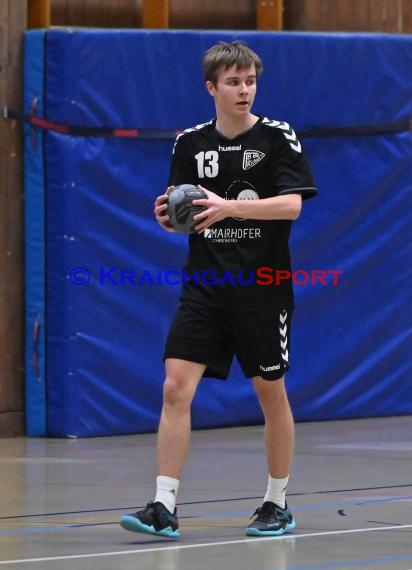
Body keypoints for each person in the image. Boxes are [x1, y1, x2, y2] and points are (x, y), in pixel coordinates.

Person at [120, 40, 317, 539]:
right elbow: (185, 216)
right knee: (174, 388)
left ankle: (277, 502)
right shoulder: (190, 144)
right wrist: (170, 219)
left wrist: (230, 207)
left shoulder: (278, 137)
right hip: (205, 286)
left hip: (262, 287)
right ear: (211, 88)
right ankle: (163, 506)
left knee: (270, 393)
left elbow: (292, 205)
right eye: (233, 82)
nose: (244, 90)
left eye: (250, 80)